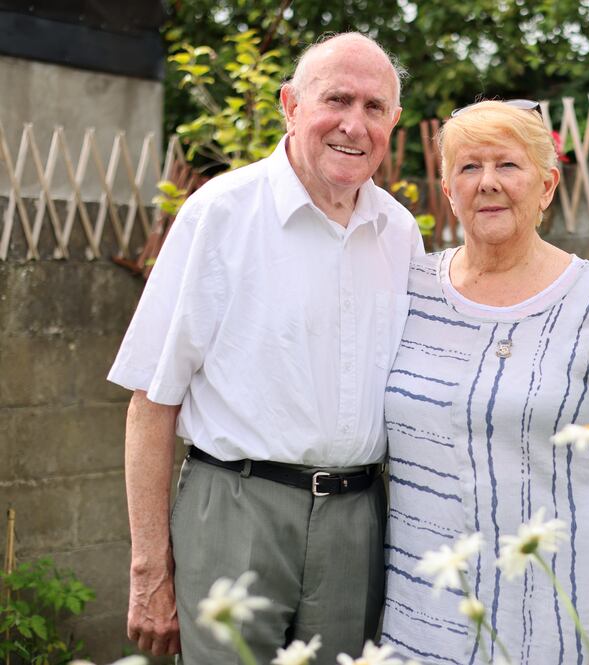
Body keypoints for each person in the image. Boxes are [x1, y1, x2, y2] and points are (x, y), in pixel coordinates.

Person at [107, 33, 424, 661]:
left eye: (375, 107)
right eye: (336, 99)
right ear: (290, 104)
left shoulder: (399, 232)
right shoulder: (219, 214)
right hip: (234, 515)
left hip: (357, 523)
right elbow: (151, 400)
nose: (354, 125)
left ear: (394, 121)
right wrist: (149, 571)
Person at [380, 101, 589, 665]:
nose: (487, 183)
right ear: (447, 189)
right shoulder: (409, 287)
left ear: (546, 186)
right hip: (422, 611)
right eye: (468, 168)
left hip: (557, 609)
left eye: (507, 166)